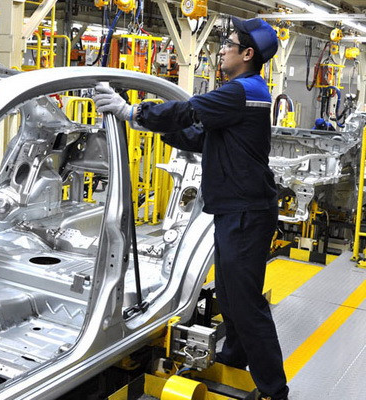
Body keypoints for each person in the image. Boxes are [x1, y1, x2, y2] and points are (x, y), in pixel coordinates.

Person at [93, 17, 289, 400]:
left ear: (247, 54)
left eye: (229, 44)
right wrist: (146, 124)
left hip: (246, 214)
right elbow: (200, 138)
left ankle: (273, 390)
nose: (222, 49)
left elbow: (188, 111)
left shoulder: (242, 91)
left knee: (246, 304)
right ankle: (234, 360)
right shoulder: (243, 93)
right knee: (230, 297)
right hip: (236, 211)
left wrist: (132, 112)